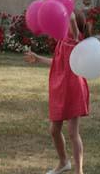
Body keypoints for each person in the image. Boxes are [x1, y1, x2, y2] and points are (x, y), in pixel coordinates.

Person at [25, 10, 90, 174]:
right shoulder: (63, 40)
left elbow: (74, 30)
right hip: (60, 88)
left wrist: (70, 15)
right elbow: (58, 62)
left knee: (73, 132)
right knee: (54, 130)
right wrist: (38, 58)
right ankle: (63, 163)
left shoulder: (77, 40)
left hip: (73, 87)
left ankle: (79, 171)